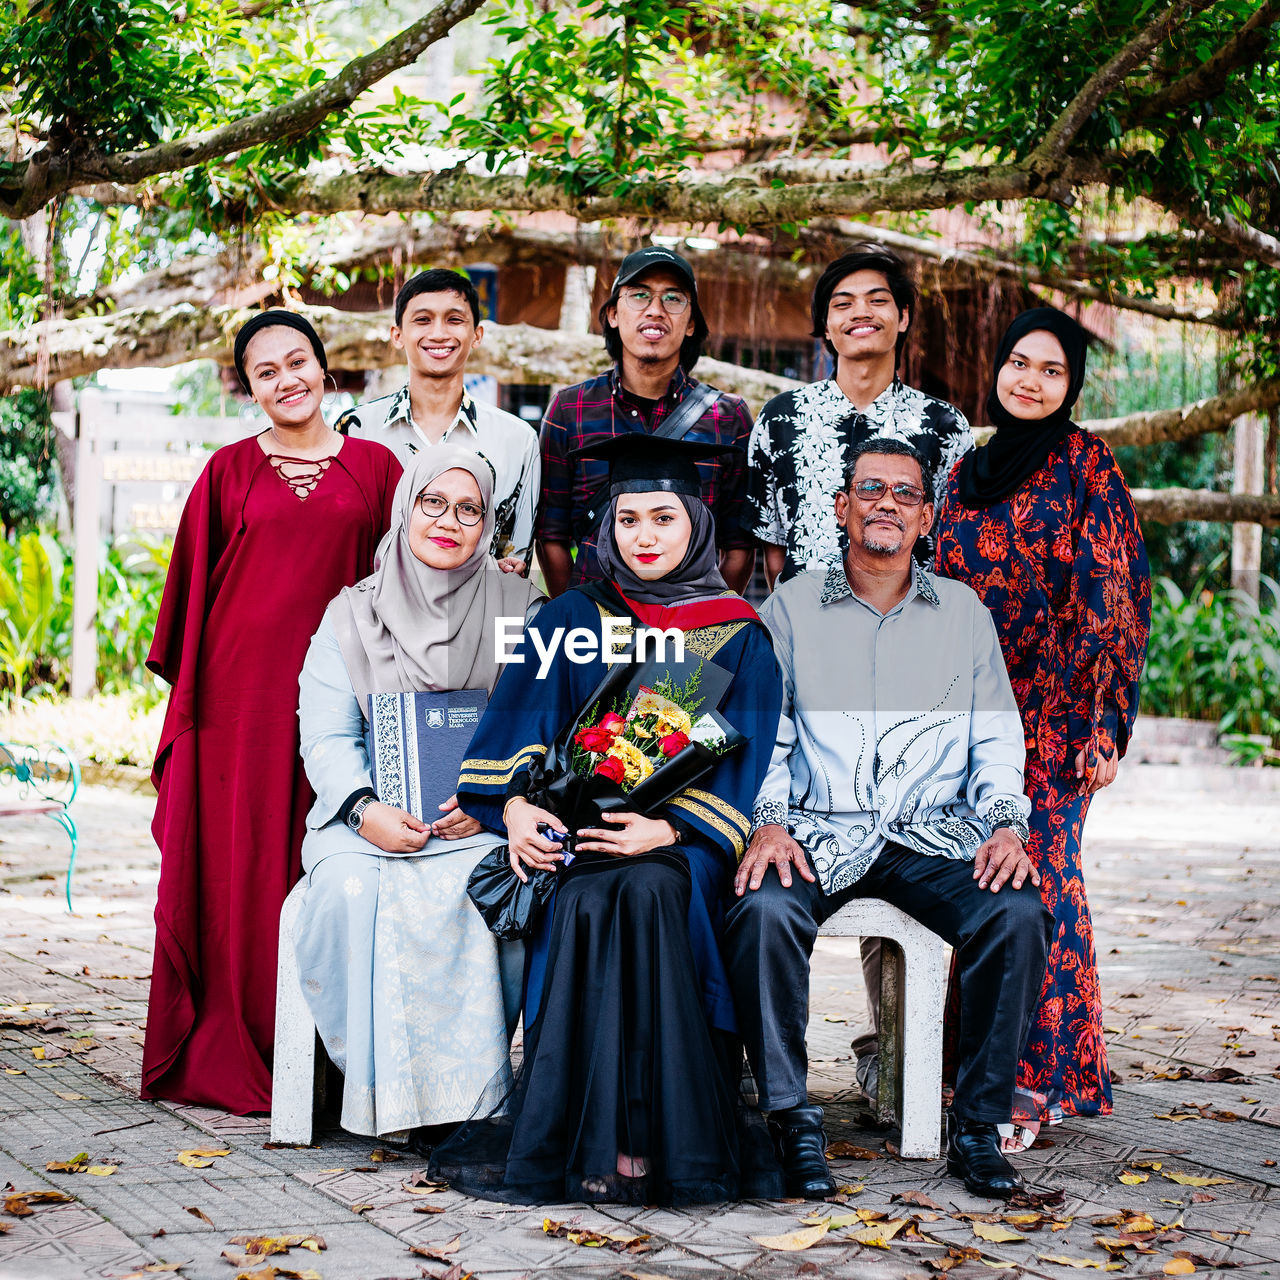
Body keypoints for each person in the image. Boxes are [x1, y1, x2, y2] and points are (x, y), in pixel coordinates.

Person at [430, 435, 783, 1205]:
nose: (645, 536)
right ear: (606, 530)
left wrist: (673, 830)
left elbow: (741, 769)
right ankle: (586, 1138)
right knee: (590, 897)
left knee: (653, 892)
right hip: (578, 838)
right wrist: (519, 807)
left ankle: (655, 1140)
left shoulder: (736, 632)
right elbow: (513, 738)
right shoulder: (569, 616)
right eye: (628, 521)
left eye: (663, 518)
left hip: (680, 845)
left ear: (695, 522)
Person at [725, 437, 1052, 1201]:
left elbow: (997, 734)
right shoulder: (791, 608)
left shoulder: (963, 614)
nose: (887, 504)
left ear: (927, 516)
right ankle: (790, 1119)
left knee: (1019, 913)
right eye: (870, 489)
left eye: (906, 494)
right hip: (819, 828)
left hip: (930, 832)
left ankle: (977, 1125)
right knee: (762, 910)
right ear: (842, 507)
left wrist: (1006, 824)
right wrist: (768, 821)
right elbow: (764, 730)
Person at [144, 310, 401, 1113]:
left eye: (299, 362)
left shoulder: (377, 468)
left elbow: (407, 581)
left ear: (326, 370)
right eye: (266, 371)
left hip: (344, 700)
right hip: (239, 704)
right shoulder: (225, 472)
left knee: (323, 860)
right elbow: (188, 603)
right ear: (250, 387)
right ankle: (236, 1041)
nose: (286, 380)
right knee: (241, 863)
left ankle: (328, 1061)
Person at [742, 243, 975, 1100]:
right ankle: (773, 1077)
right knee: (779, 848)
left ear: (903, 317)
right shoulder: (783, 419)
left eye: (878, 300)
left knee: (903, 841)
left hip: (907, 667)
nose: (861, 314)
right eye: (843, 302)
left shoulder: (945, 428)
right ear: (826, 322)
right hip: (803, 666)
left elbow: (953, 555)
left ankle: (895, 1073)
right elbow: (765, 552)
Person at [936, 306, 1151, 1148]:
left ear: (1072, 387)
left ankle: (1031, 1080)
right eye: (1019, 363)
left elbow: (1119, 597)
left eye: (1051, 370)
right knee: (976, 883)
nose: (1029, 380)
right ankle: (966, 1068)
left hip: (1057, 719)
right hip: (965, 717)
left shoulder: (1087, 464)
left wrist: (1107, 725)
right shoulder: (965, 470)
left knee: (1041, 880)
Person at [294, 446, 544, 1145]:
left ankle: (465, 1101)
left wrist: (495, 800)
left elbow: (543, 722)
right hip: (365, 819)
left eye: (470, 510)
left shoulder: (520, 609)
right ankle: (379, 1090)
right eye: (433, 502)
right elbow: (325, 735)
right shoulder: (352, 614)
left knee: (488, 882)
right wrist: (363, 810)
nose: (449, 521)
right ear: (407, 507)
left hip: (483, 821)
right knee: (348, 891)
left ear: (489, 528)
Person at [535, 245, 756, 596]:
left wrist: (711, 622)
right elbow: (551, 535)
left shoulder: (728, 417)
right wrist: (575, 611)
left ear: (691, 323)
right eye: (639, 295)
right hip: (596, 626)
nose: (655, 310)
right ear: (612, 314)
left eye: (673, 299)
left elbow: (739, 545)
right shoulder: (570, 409)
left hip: (691, 629)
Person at [337, 268, 539, 573]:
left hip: (477, 615)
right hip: (375, 615)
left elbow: (516, 561)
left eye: (454, 320)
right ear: (398, 335)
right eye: (423, 320)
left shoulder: (517, 440)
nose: (439, 333)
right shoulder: (356, 429)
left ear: (477, 335)